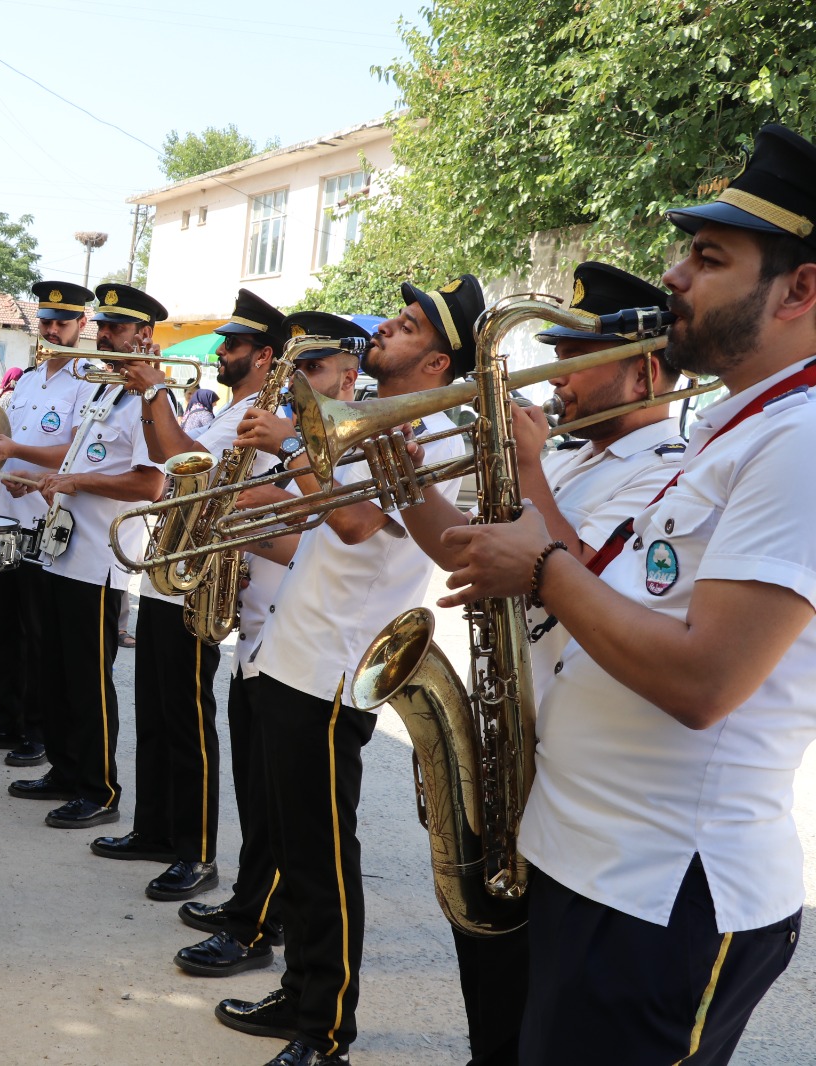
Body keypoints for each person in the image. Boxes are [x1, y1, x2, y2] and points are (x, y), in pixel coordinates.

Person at [436, 123, 816, 1066]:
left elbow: (705, 683)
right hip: (598, 865)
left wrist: (543, 566)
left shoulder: (800, 442)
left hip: (665, 892)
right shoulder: (736, 433)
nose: (676, 277)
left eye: (709, 257)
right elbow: (610, 587)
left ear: (801, 290)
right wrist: (542, 540)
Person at [392, 261, 683, 1066]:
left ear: (646, 368)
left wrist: (524, 471)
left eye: (572, 359)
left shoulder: (667, 467)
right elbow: (474, 555)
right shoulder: (575, 458)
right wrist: (406, 477)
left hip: (574, 773)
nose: (556, 382)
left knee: (530, 1011)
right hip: (524, 750)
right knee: (492, 996)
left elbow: (582, 584)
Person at [217, 276, 481, 1066]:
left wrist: (291, 447)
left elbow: (359, 523)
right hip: (291, 652)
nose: (385, 332)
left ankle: (326, 1029)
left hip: (334, 670)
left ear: (438, 363)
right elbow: (318, 523)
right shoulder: (369, 420)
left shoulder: (436, 437)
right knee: (296, 852)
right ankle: (301, 991)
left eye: (405, 328)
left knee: (325, 857)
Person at [171, 313, 366, 980]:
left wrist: (251, 514)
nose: (302, 387)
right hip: (262, 630)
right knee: (260, 799)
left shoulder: (350, 440)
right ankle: (254, 909)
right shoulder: (312, 435)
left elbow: (338, 537)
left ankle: (253, 924)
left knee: (287, 815)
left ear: (349, 374)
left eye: (315, 371)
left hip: (308, 649)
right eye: (298, 372)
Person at [90, 289, 286, 904]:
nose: (220, 352)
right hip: (166, 570)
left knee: (187, 720)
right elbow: (160, 453)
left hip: (198, 582)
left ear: (263, 355)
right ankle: (155, 827)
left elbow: (180, 462)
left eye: (233, 345)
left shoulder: (256, 416)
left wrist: (151, 389)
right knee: (154, 707)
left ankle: (196, 852)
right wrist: (152, 397)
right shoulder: (226, 412)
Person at [0, 282, 166, 829]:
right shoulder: (101, 390)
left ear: (145, 337)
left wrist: (74, 480)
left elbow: (149, 484)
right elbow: (77, 457)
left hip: (102, 558)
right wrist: (44, 481)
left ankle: (99, 790)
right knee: (60, 673)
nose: (106, 334)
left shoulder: (149, 401)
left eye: (118, 328)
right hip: (64, 550)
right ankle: (66, 772)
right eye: (105, 326)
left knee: (90, 683)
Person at [0, 280, 96, 766]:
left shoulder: (90, 382)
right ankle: (6, 718)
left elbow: (77, 451)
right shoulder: (30, 380)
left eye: (63, 321)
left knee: (40, 635)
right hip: (6, 516)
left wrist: (19, 459)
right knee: (5, 626)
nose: (53, 329)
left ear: (83, 325)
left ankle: (37, 733)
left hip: (47, 522)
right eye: (46, 321)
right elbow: (3, 443)